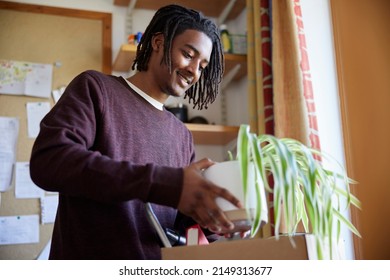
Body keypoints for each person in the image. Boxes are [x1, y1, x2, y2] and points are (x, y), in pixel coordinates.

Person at [30, 4, 243, 260]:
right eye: (188, 54)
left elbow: (182, 227)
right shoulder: (96, 89)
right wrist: (166, 183)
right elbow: (50, 161)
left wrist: (218, 218)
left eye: (203, 66)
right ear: (158, 42)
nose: (194, 71)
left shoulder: (181, 135)